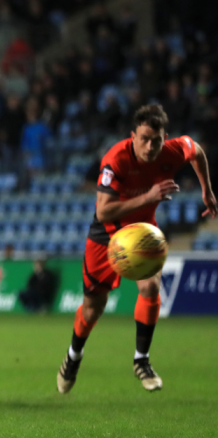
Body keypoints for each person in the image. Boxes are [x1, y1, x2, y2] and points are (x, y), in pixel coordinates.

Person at [57, 104, 217, 395]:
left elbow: (197, 150)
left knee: (151, 287)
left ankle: (141, 360)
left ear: (164, 137)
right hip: (105, 237)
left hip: (142, 233)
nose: (150, 146)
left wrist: (207, 190)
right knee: (93, 309)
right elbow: (104, 212)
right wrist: (149, 196)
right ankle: (73, 355)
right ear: (133, 136)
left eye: (156, 140)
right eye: (144, 138)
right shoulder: (115, 159)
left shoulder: (171, 151)